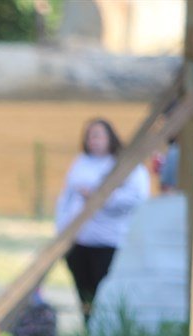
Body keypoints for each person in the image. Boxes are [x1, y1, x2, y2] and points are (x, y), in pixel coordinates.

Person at [55, 118, 150, 324]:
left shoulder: (125, 165)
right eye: (89, 136)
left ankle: (105, 330)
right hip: (78, 241)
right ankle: (89, 327)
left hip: (109, 241)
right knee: (84, 291)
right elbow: (66, 197)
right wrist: (61, 228)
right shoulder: (81, 163)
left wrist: (101, 198)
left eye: (98, 135)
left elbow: (137, 198)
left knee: (104, 291)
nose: (93, 140)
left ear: (110, 137)